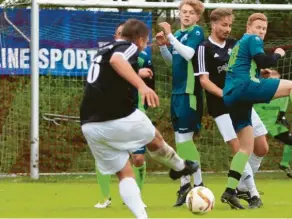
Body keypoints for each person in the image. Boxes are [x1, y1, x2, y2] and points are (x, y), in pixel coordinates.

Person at [80, 18, 198, 219]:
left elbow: (110, 71)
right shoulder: (128, 46)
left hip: (89, 124)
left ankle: (142, 217)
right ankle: (179, 167)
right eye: (146, 41)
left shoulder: (103, 50)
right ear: (141, 39)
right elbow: (118, 61)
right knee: (154, 138)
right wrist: (142, 86)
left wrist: (137, 72)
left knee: (124, 173)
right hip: (117, 115)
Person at [220, 13, 292, 209]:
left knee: (245, 148)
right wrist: (278, 54)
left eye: (264, 29)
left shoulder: (240, 44)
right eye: (258, 27)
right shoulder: (252, 38)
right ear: (248, 27)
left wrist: (259, 71)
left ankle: (230, 191)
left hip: (231, 96)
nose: (261, 32)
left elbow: (249, 64)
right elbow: (266, 61)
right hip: (245, 87)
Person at [191, 8, 268, 209]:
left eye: (230, 25)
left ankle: (239, 187)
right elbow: (204, 81)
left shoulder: (236, 44)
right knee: (239, 149)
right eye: (224, 25)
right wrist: (224, 93)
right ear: (213, 24)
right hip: (222, 106)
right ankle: (253, 194)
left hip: (243, 102)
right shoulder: (203, 48)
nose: (227, 29)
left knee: (261, 147)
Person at [94, 22, 156, 209]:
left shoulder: (143, 56)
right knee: (105, 157)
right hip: (109, 113)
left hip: (134, 112)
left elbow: (150, 83)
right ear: (116, 36)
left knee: (138, 159)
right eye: (119, 33)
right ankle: (104, 197)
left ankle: (137, 196)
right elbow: (115, 71)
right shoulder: (107, 54)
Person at [155, 0, 206, 207]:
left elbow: (189, 55)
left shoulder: (196, 32)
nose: (186, 15)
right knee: (180, 140)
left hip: (189, 92)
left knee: (186, 140)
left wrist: (169, 36)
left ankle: (199, 185)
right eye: (183, 12)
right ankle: (186, 185)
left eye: (191, 13)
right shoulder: (178, 36)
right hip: (176, 94)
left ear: (197, 16)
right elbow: (173, 61)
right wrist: (163, 47)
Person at [253, 70, 292, 179]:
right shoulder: (257, 90)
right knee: (252, 148)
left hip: (272, 124)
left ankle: (284, 164)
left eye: (277, 80)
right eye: (272, 80)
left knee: (290, 140)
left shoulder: (282, 93)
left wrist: (282, 116)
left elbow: (283, 105)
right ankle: (246, 170)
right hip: (256, 123)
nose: (276, 83)